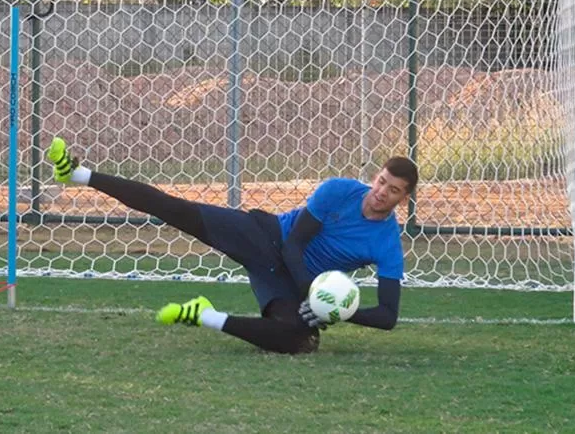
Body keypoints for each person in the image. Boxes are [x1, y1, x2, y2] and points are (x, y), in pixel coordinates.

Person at [47, 137, 418, 354]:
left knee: (301, 341)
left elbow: (388, 316)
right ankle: (78, 174)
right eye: (381, 181)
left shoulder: (386, 242)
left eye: (393, 190)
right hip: (267, 237)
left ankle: (204, 315)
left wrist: (334, 310)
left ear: (404, 198)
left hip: (288, 282)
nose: (381, 193)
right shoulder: (339, 190)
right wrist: (313, 295)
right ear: (376, 176)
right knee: (177, 210)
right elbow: (294, 246)